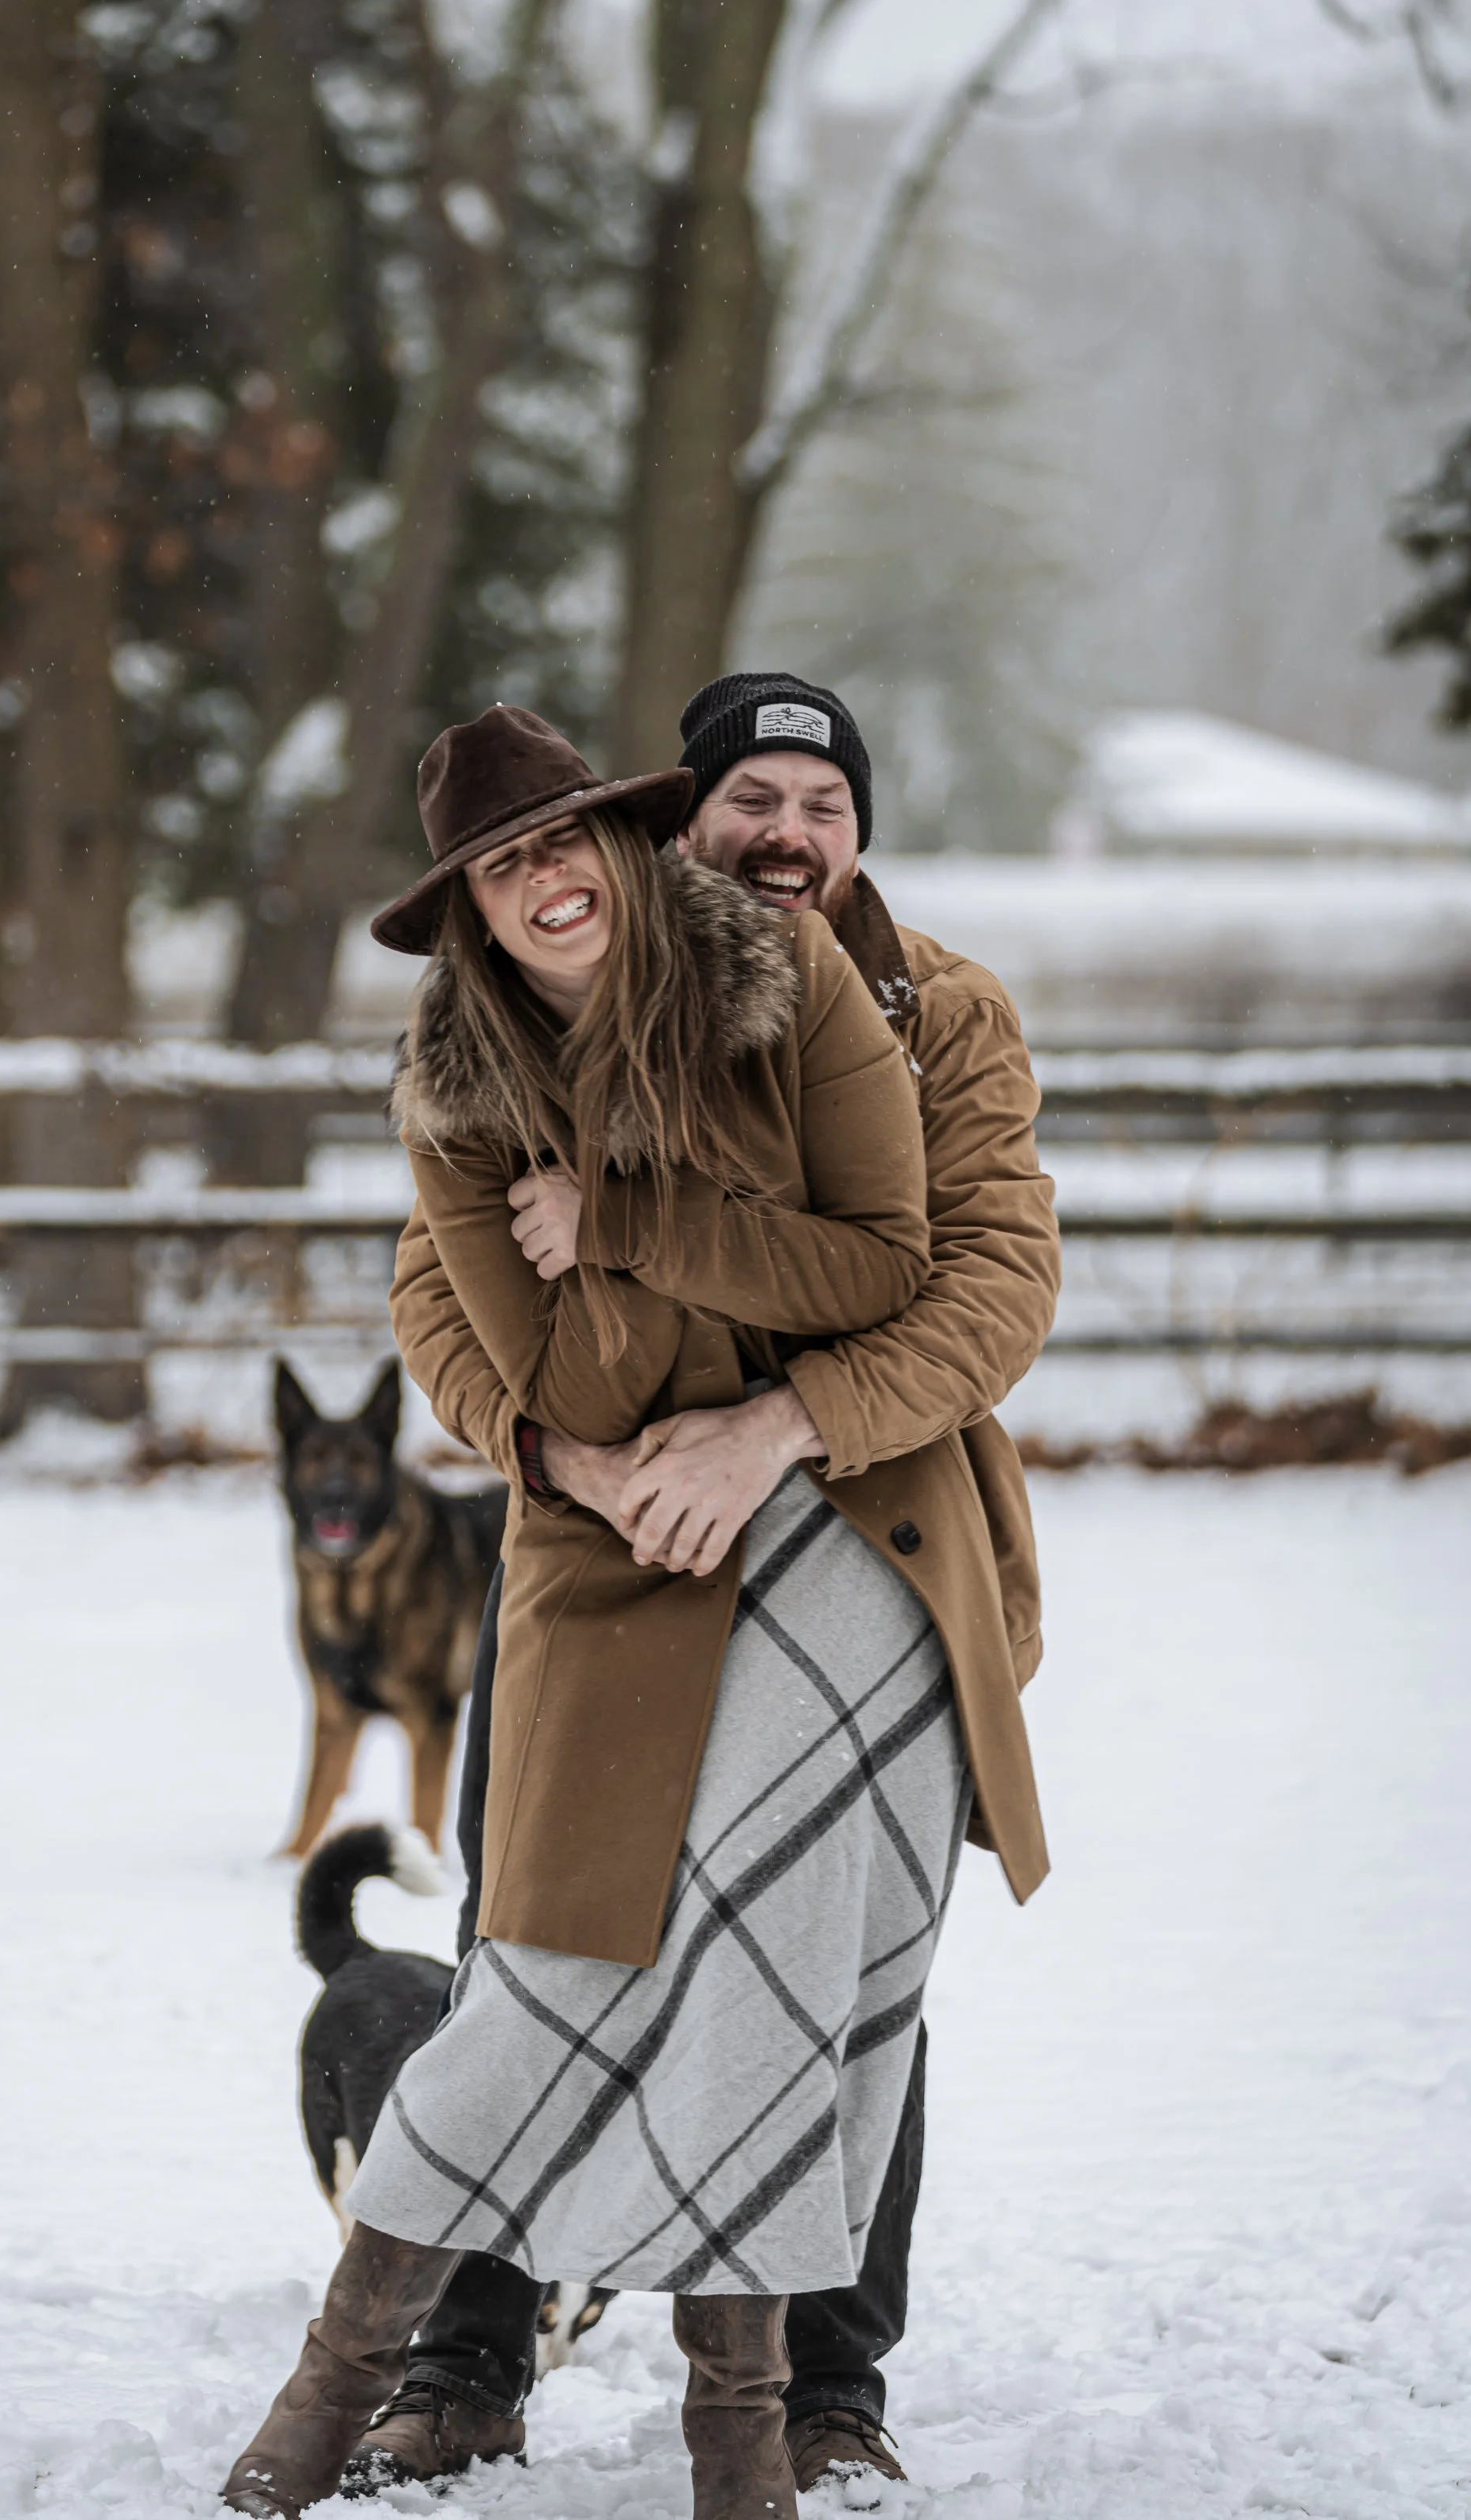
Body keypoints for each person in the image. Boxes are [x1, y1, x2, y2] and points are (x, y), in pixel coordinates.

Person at [221, 703, 1049, 2520]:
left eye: (823, 802)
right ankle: (459, 2357)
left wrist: (769, 1411)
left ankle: (816, 2395)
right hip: (605, 1552)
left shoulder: (934, 1012)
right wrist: (575, 1463)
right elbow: (440, 1309)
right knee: (541, 1932)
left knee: (818, 1975)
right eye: (748, 796)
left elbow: (978, 1292)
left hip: (860, 1529)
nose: (786, 829)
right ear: (678, 824)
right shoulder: (497, 1039)